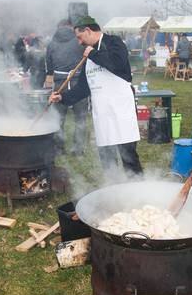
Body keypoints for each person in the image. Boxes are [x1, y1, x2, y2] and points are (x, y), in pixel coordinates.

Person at [49, 15, 143, 177]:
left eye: (79, 37)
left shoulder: (114, 42)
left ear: (88, 30)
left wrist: (92, 54)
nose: (79, 42)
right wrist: (62, 97)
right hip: (103, 115)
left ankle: (137, 190)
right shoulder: (87, 57)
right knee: (106, 158)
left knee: (128, 157)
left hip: (121, 112)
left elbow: (116, 63)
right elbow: (83, 88)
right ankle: (112, 189)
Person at [45, 19, 89, 155]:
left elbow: (49, 63)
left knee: (59, 117)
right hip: (78, 83)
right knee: (80, 117)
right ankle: (78, 149)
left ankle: (58, 148)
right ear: (70, 26)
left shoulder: (51, 43)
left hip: (59, 83)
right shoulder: (79, 40)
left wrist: (51, 76)